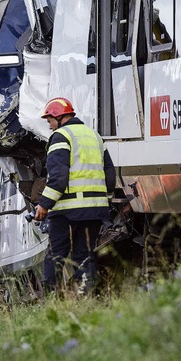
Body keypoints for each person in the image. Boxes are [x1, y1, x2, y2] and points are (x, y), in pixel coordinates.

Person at [34, 97, 116, 293]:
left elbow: (59, 177)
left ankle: (50, 297)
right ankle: (85, 295)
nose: (49, 126)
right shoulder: (94, 136)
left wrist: (44, 204)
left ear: (59, 117)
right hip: (95, 210)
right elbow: (110, 173)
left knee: (56, 254)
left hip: (67, 210)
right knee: (84, 254)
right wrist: (107, 200)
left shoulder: (61, 136)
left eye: (49, 121)